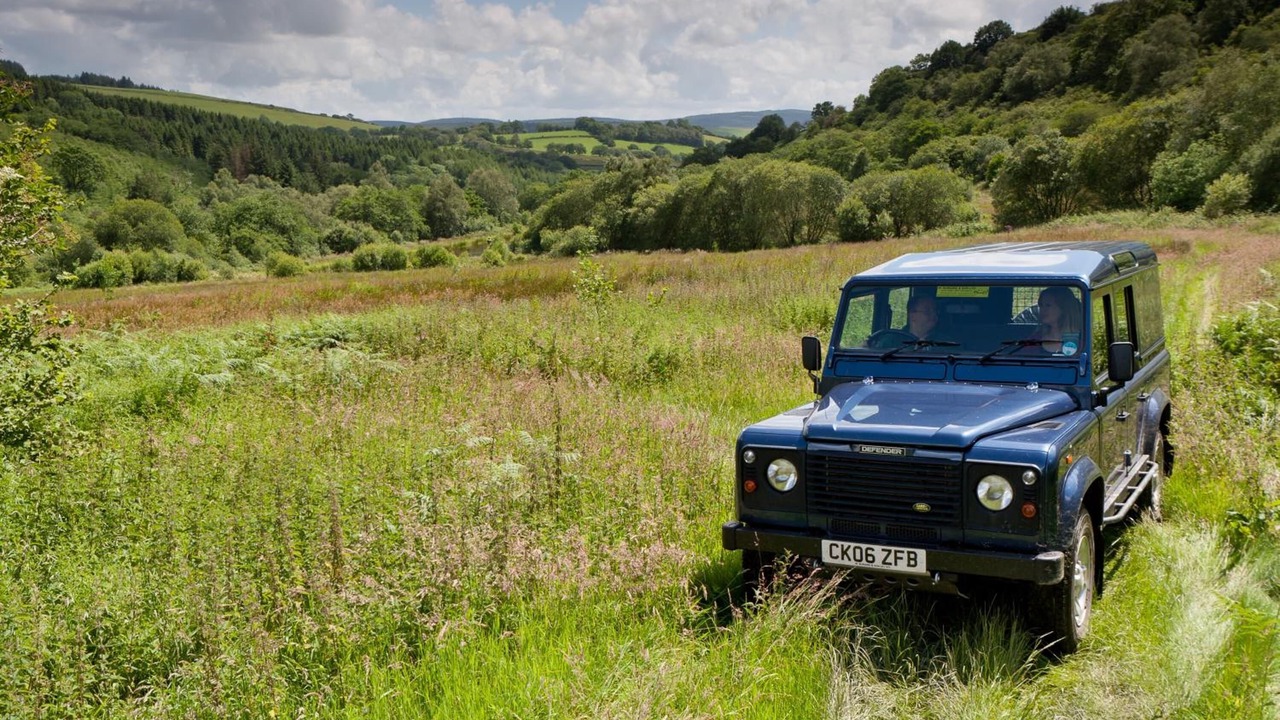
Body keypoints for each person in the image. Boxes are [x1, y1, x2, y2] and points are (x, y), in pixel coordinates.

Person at [1027, 286, 1082, 354]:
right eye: (1041, 305)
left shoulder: (1082, 339)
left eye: (1048, 305)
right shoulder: (1035, 339)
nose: (1042, 310)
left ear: (1063, 308)